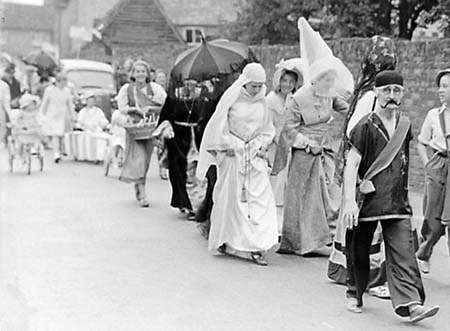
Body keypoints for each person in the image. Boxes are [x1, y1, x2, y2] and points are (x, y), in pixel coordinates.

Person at [342, 70, 439, 322]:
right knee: (360, 250)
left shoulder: (404, 126)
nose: (392, 96)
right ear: (376, 92)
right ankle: (355, 292)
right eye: (387, 91)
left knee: (404, 253)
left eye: (397, 91)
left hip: (397, 201)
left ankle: (411, 304)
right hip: (368, 201)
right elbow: (351, 164)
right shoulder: (364, 127)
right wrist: (349, 202)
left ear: (403, 94)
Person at [328, 35, 398, 299]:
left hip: (365, 165)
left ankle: (346, 269)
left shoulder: (367, 91)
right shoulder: (371, 96)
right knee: (368, 220)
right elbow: (355, 131)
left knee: (356, 218)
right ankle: (365, 276)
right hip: (368, 167)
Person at [197, 63, 277, 266]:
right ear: (245, 83)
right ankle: (231, 241)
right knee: (233, 201)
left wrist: (261, 144)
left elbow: (268, 129)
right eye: (254, 86)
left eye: (260, 86)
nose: (257, 90)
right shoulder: (232, 100)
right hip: (234, 157)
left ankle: (257, 245)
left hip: (255, 158)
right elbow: (219, 127)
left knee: (259, 202)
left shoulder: (263, 103)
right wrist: (230, 145)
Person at [272, 57, 348, 256]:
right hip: (304, 152)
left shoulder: (329, 95)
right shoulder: (298, 99)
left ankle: (325, 236)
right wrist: (307, 143)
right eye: (327, 81)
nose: (330, 85)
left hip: (326, 148)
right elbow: (288, 129)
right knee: (303, 195)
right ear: (316, 79)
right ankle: (299, 241)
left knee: (329, 192)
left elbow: (348, 109)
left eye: (332, 81)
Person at [117, 60, 167, 207]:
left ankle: (139, 185)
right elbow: (122, 107)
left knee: (145, 161)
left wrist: (151, 108)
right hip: (135, 128)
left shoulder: (155, 88)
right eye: (137, 71)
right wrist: (135, 110)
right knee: (138, 159)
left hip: (150, 128)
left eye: (143, 71)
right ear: (133, 73)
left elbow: (165, 104)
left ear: (147, 74)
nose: (140, 74)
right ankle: (143, 194)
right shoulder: (127, 89)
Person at [416, 68, 450, 273]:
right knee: (433, 221)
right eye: (440, 86)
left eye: (445, 86)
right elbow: (421, 143)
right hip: (438, 165)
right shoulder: (433, 115)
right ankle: (423, 252)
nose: (440, 90)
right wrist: (427, 164)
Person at [266, 58, 305, 235]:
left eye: (291, 81)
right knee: (275, 184)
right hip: (275, 146)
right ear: (278, 81)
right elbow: (269, 123)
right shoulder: (271, 100)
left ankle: (287, 225)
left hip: (290, 144)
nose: (287, 84)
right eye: (284, 80)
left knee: (288, 186)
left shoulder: (294, 100)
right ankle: (271, 223)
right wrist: (277, 140)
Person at [157, 79, 203, 220]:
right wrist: (167, 128)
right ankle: (184, 203)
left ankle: (196, 204)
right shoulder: (174, 96)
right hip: (177, 137)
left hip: (198, 136)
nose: (190, 85)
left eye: (194, 81)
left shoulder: (203, 96)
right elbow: (164, 116)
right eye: (188, 81)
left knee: (195, 171)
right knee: (178, 171)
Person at [39, 72, 76, 163]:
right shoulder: (49, 90)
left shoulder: (67, 91)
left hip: (62, 115)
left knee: (60, 135)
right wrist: (40, 115)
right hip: (51, 114)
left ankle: (59, 151)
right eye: (64, 80)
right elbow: (45, 103)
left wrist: (73, 116)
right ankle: (56, 153)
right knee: (55, 134)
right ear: (59, 81)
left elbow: (69, 104)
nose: (65, 83)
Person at [66, 93, 109, 162]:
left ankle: (99, 157)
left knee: (101, 138)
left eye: (92, 102)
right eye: (89, 102)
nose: (90, 103)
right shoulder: (83, 111)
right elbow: (79, 123)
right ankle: (86, 156)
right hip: (86, 130)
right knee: (85, 136)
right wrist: (84, 127)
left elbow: (103, 121)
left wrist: (103, 125)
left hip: (96, 129)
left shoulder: (98, 111)